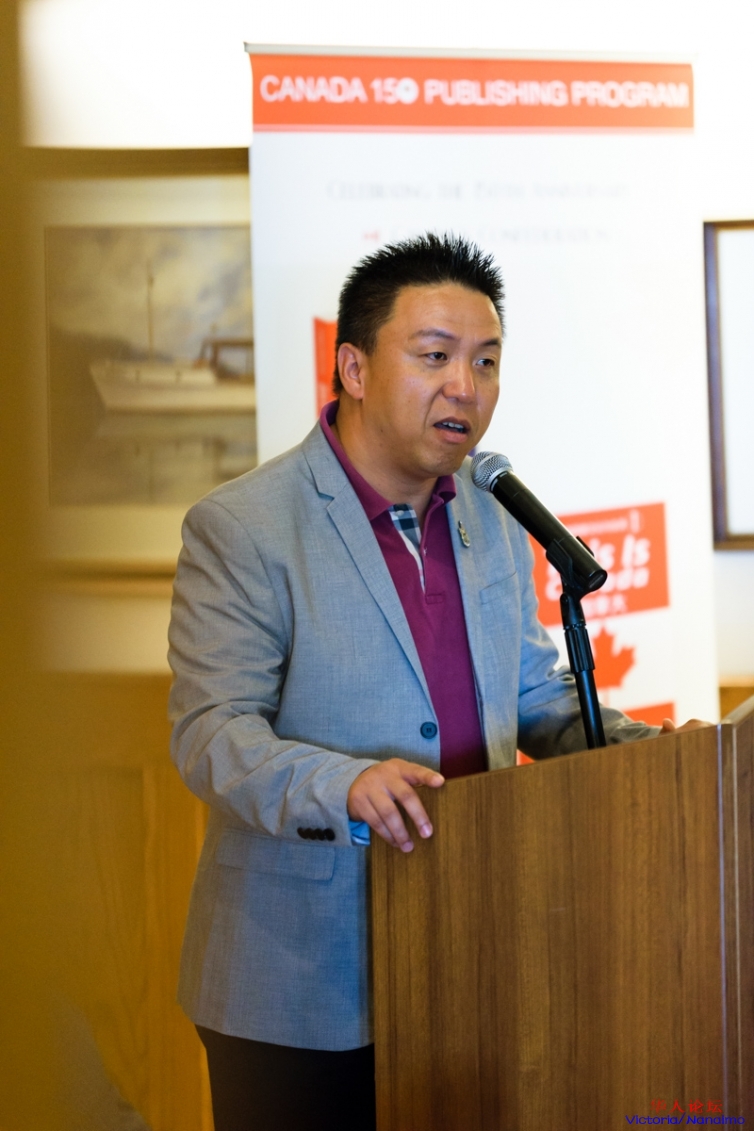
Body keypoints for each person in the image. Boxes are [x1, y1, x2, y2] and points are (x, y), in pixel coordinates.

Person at [167, 233, 696, 1131]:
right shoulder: (244, 526)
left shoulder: (493, 514)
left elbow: (530, 696)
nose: (466, 386)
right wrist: (345, 784)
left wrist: (653, 753)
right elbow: (211, 733)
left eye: (486, 361)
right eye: (435, 356)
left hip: (469, 948)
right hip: (297, 978)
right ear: (355, 368)